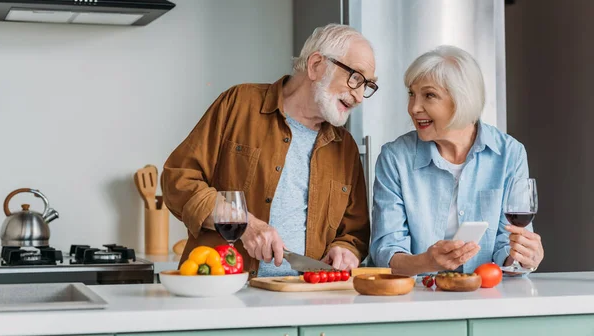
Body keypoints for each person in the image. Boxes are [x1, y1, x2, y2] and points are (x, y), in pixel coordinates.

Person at [161, 24, 377, 278]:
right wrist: (244, 224)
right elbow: (178, 180)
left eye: (368, 86)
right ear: (316, 65)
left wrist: (345, 250)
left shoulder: (346, 148)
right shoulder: (239, 104)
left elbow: (354, 233)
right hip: (223, 287)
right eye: (356, 78)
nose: (360, 96)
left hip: (306, 297)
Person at [370, 45, 544, 275]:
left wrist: (521, 256)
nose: (414, 108)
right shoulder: (395, 158)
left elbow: (507, 244)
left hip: (487, 295)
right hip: (415, 298)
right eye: (411, 94)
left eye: (429, 95)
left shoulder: (509, 154)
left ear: (462, 99)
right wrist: (427, 262)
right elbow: (386, 251)